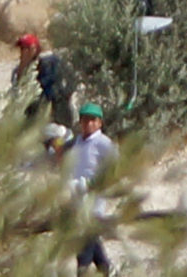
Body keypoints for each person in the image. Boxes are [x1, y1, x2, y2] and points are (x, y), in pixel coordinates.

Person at [70, 103, 118, 274]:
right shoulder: (77, 142)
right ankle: (109, 271)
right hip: (77, 199)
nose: (88, 124)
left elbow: (115, 169)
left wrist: (92, 184)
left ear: (100, 123)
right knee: (92, 242)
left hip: (94, 201)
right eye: (85, 120)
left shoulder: (103, 143)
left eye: (93, 120)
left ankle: (82, 272)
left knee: (84, 244)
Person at [14, 33, 75, 126]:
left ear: (34, 49)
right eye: (21, 49)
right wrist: (22, 68)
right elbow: (17, 89)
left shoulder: (49, 64)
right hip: (31, 118)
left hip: (56, 117)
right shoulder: (19, 70)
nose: (23, 52)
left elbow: (53, 91)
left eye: (26, 48)